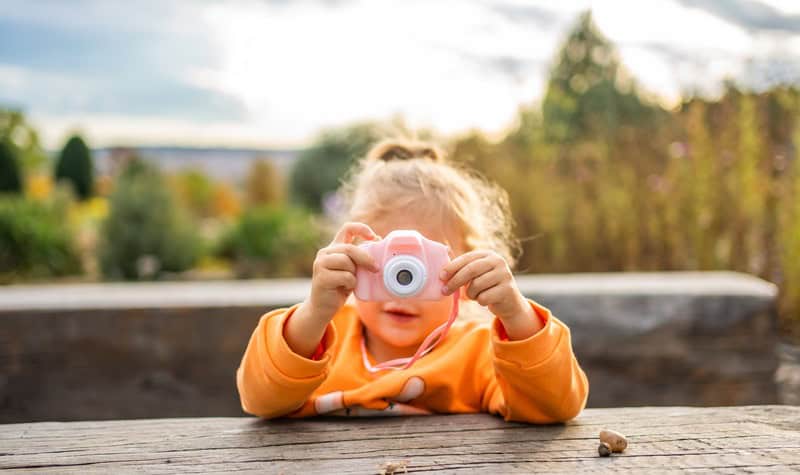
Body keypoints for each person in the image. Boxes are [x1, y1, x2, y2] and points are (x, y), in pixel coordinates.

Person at [236, 139, 589, 422]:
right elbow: (259, 400)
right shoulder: (319, 342)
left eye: (423, 265)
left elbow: (555, 407)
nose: (401, 288)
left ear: (470, 268)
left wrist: (517, 316)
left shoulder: (481, 353)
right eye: (386, 262)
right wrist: (313, 314)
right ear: (351, 259)